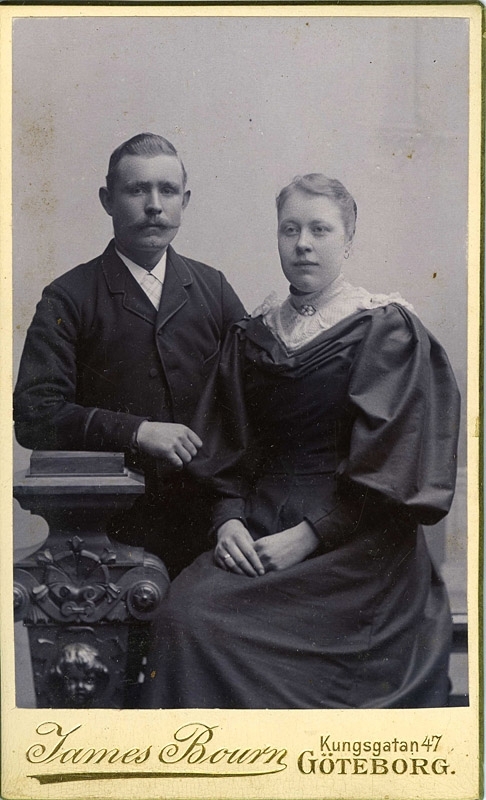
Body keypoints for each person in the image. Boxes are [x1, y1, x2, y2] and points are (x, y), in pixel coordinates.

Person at [143, 173, 460, 709]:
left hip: (358, 542)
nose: (303, 244)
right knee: (185, 615)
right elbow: (225, 448)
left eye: (320, 230)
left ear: (348, 240)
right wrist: (228, 520)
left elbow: (394, 464)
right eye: (290, 229)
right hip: (261, 521)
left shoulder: (383, 329)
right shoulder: (253, 333)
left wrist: (310, 535)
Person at [13, 133, 245, 578]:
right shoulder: (69, 297)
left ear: (185, 201)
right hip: (107, 530)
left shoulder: (213, 288)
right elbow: (34, 414)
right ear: (107, 200)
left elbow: (252, 398)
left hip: (210, 524)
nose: (154, 205)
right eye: (137, 190)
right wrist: (137, 432)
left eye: (168, 190)